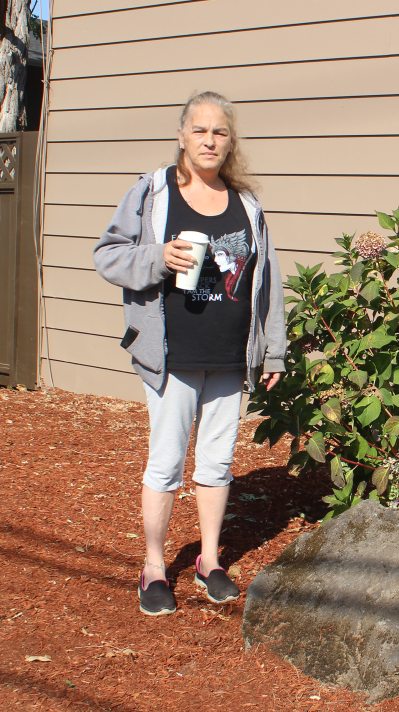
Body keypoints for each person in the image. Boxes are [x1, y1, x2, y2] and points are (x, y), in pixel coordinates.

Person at [94, 91, 286, 616]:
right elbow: (108, 255)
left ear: (230, 142)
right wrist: (159, 257)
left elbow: (266, 284)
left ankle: (207, 560)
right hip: (171, 353)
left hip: (228, 355)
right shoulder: (153, 192)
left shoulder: (246, 204)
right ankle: (154, 567)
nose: (209, 140)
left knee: (218, 463)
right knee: (166, 463)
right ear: (182, 135)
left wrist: (273, 352)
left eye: (219, 132)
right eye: (199, 130)